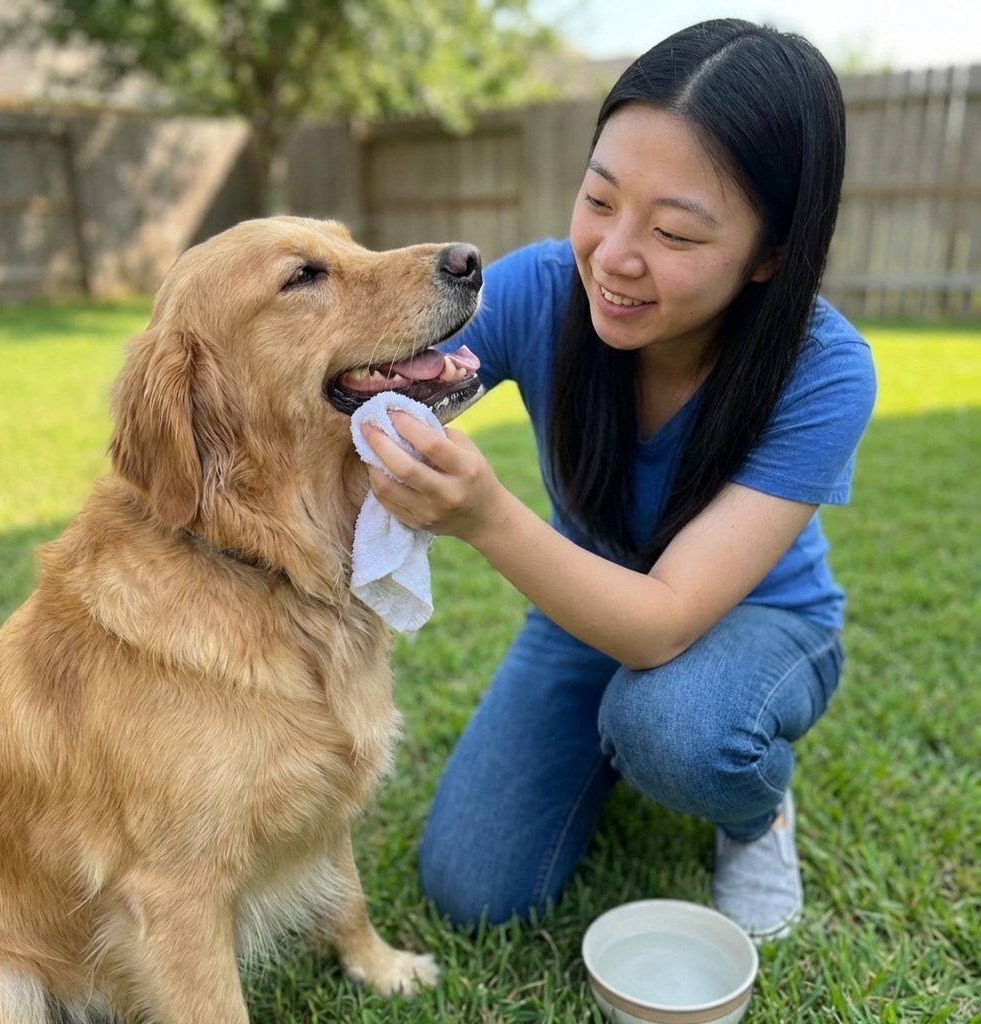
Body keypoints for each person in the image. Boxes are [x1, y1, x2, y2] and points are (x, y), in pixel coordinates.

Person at [362, 18, 876, 942]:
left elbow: (668, 619)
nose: (614, 258)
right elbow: (384, 387)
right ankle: (606, 728)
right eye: (600, 200)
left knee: (675, 725)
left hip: (755, 622)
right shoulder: (546, 289)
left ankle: (755, 814)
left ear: (770, 253)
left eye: (675, 232)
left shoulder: (822, 370)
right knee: (472, 891)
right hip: (582, 611)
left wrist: (484, 514)